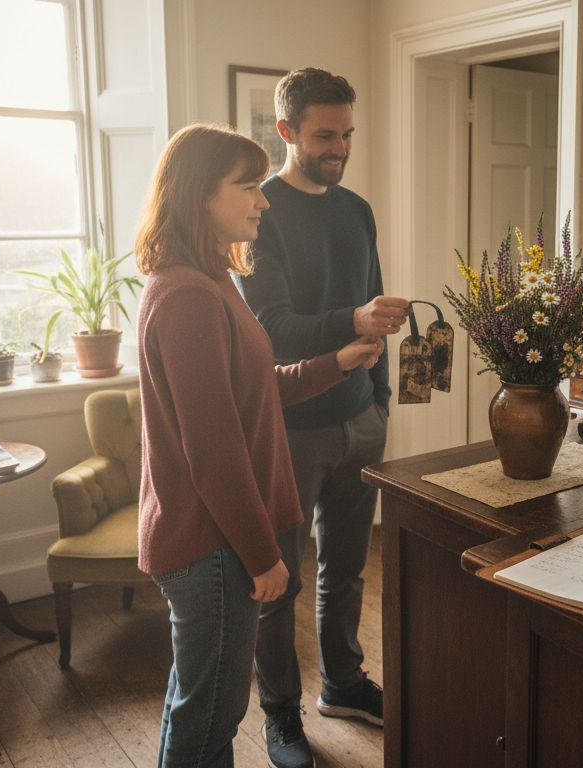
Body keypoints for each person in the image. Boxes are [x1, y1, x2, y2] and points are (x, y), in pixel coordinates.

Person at [134, 123, 382, 767]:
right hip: (210, 545)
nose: (263, 200)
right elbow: (214, 454)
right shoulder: (188, 296)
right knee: (209, 718)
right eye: (247, 186)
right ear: (200, 194)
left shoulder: (208, 279)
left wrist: (336, 364)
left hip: (209, 540)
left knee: (196, 703)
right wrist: (263, 555)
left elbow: (253, 388)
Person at [233, 67, 408, 768]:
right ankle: (281, 716)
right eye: (325, 136)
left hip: (360, 419)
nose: (340, 149)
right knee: (280, 581)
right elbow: (274, 329)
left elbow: (378, 314)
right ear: (287, 132)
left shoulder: (357, 210)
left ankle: (343, 683)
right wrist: (353, 321)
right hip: (290, 428)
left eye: (347, 135)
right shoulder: (257, 212)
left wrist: (381, 400)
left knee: (348, 567)